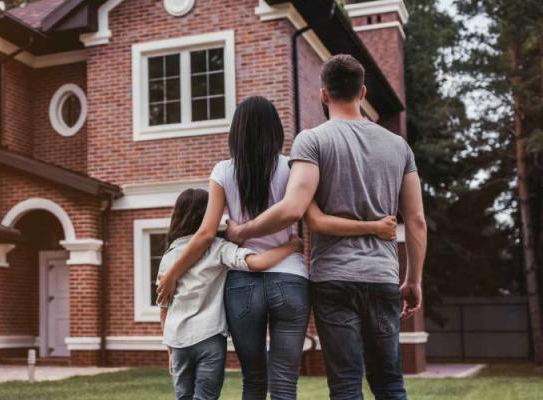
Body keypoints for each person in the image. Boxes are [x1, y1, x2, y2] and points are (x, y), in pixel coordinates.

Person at [157, 96, 396, 400]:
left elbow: (205, 234)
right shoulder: (294, 167)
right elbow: (310, 218)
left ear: (236, 132)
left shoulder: (223, 171)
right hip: (291, 280)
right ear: (276, 131)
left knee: (253, 381)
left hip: (242, 284)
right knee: (284, 385)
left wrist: (173, 274)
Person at [224, 55, 428, 400]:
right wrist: (413, 279)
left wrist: (242, 232)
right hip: (382, 276)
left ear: (323, 94)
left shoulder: (312, 140)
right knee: (390, 381)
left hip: (333, 278)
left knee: (346, 383)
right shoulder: (398, 146)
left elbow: (293, 209)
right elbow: (418, 221)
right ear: (362, 92)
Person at [157, 188, 301, 400]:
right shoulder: (218, 248)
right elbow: (257, 263)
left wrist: (170, 349)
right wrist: (293, 246)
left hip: (177, 341)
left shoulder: (168, 257)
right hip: (209, 339)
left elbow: (163, 308)